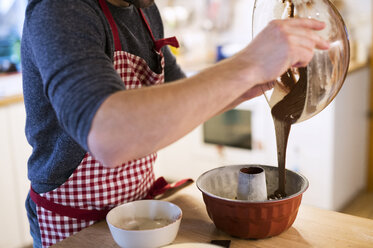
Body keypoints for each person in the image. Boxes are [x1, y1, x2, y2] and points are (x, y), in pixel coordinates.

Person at [21, 0, 329, 247]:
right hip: (76, 228)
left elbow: (181, 92)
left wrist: (250, 82)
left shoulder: (144, 11)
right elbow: (109, 137)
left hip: (141, 215)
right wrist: (247, 64)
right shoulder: (59, 10)